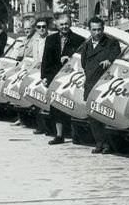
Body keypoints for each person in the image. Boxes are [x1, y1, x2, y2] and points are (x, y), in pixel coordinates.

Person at [40, 14, 84, 144]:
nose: (64, 26)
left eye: (66, 24)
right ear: (57, 25)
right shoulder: (50, 39)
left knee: (71, 103)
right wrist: (44, 77)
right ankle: (59, 135)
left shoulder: (78, 39)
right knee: (56, 105)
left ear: (70, 24)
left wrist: (69, 58)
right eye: (61, 24)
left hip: (70, 77)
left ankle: (75, 134)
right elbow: (45, 60)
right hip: (54, 77)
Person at [81, 16, 120, 154]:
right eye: (94, 30)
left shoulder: (111, 43)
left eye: (99, 29)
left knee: (104, 114)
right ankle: (99, 143)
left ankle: (108, 144)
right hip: (90, 83)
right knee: (92, 115)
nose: (97, 33)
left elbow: (117, 57)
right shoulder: (86, 45)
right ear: (89, 30)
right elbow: (83, 63)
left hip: (104, 84)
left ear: (103, 29)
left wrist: (109, 60)